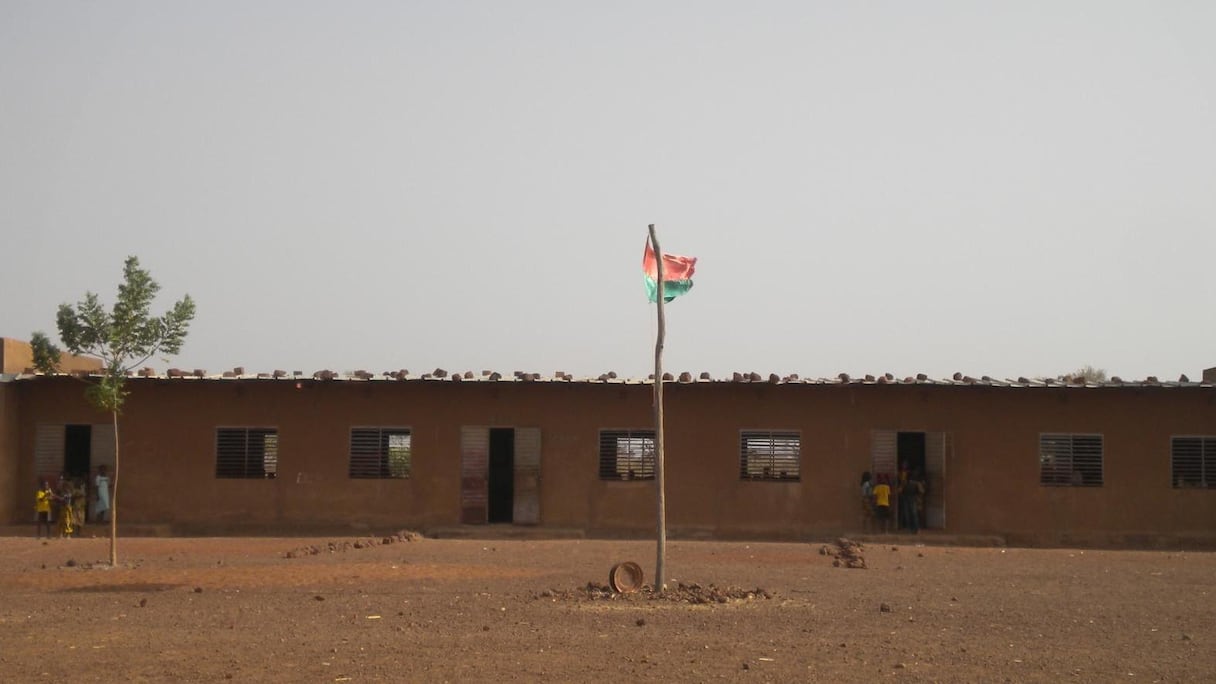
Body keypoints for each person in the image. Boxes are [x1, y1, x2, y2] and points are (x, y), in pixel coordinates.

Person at [898, 463, 919, 534]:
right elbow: (920, 491)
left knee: (907, 513)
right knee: (913, 513)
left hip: (906, 498)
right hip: (912, 498)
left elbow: (900, 491)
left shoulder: (905, 483)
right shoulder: (916, 483)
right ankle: (915, 529)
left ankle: (909, 528)